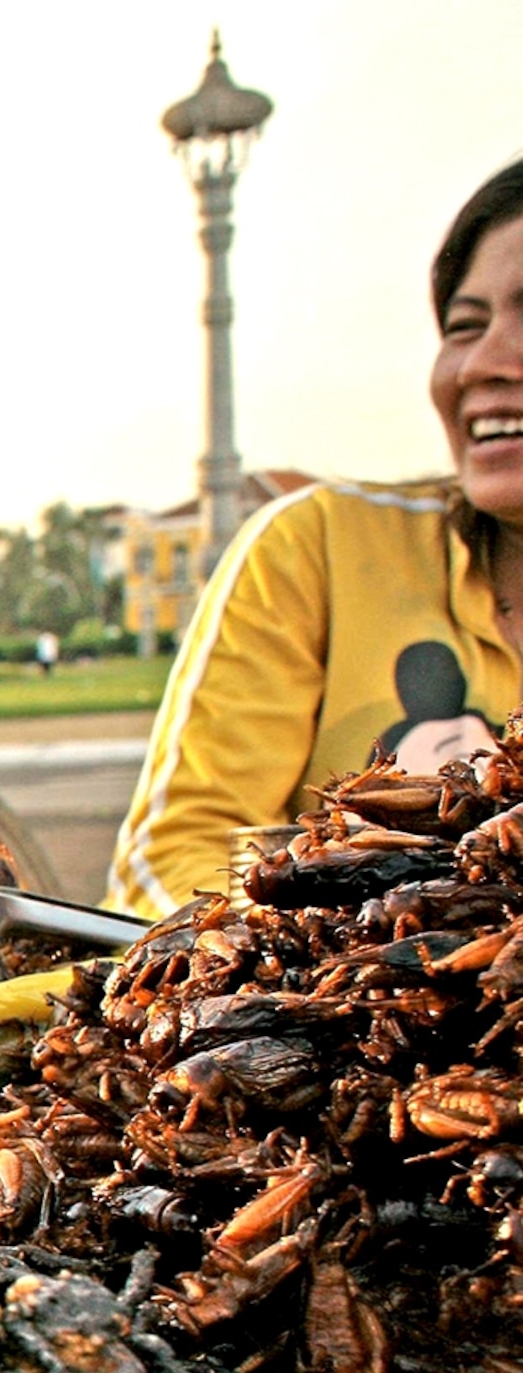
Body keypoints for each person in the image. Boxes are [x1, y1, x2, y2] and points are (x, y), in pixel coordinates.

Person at [109, 157, 523, 916]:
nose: (484, 363)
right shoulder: (318, 549)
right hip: (350, 1016)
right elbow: (172, 859)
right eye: (465, 326)